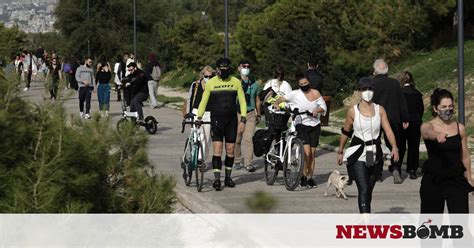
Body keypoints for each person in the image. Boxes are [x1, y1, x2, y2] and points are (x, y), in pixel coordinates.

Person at [337, 77, 399, 213]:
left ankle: (365, 215)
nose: (367, 91)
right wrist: (340, 151)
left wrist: (394, 147)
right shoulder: (352, 111)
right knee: (364, 188)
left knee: (369, 189)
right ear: (359, 91)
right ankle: (366, 221)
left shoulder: (380, 110)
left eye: (370, 89)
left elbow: (388, 131)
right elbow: (345, 131)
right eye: (364, 89)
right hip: (359, 153)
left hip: (375, 152)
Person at [196, 58, 247, 191]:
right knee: (217, 150)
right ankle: (217, 180)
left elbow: (242, 101)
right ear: (217, 69)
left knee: (230, 150)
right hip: (217, 120)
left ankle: (228, 178)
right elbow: (203, 101)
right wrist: (199, 117)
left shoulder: (236, 81)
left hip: (231, 120)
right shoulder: (211, 83)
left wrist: (243, 119)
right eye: (221, 69)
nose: (223, 71)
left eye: (226, 69)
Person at [420, 89, 473, 213]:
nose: (447, 109)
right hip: (434, 180)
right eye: (443, 106)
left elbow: (465, 156)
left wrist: (469, 177)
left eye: (450, 106)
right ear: (435, 109)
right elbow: (427, 133)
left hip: (456, 180)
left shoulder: (460, 128)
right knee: (431, 224)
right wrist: (437, 135)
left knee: (460, 223)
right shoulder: (428, 126)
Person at [273, 71, 327, 187]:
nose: (304, 85)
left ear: (309, 82)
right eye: (301, 84)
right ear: (298, 84)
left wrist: (316, 111)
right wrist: (277, 104)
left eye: (305, 83)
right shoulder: (294, 94)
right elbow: (281, 99)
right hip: (301, 124)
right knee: (306, 152)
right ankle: (302, 176)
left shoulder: (316, 93)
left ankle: (309, 177)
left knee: (312, 154)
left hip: (315, 125)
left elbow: (323, 107)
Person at [372, 58, 409, 184]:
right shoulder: (394, 83)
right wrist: (405, 118)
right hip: (393, 117)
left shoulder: (371, 84)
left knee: (373, 143)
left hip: (375, 117)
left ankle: (375, 172)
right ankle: (396, 167)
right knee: (394, 144)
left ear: (375, 70)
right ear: (387, 70)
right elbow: (401, 101)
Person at [234, 60, 261, 172]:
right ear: (239, 68)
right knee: (237, 138)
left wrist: (258, 112)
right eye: (243, 66)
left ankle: (248, 163)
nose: (246, 68)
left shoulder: (255, 84)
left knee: (249, 139)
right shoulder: (234, 82)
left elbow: (257, 99)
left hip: (250, 114)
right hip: (237, 113)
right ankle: (237, 159)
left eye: (248, 66)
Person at [398, 71, 424, 179]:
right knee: (414, 146)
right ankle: (412, 169)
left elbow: (397, 109)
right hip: (415, 122)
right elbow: (421, 109)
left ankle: (397, 167)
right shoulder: (417, 93)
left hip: (402, 122)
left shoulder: (399, 93)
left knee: (401, 146)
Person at [187, 65, 215, 164]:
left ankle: (202, 158)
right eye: (206, 76)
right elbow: (190, 99)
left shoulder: (214, 86)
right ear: (202, 75)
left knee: (207, 138)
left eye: (210, 76)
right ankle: (196, 158)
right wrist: (188, 113)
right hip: (196, 112)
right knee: (198, 136)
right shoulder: (195, 85)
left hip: (208, 113)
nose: (208, 78)